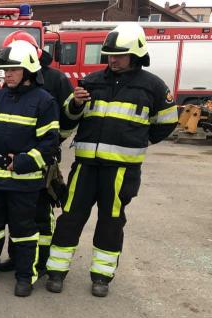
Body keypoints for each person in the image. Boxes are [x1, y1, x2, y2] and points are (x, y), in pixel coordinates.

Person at [44, 23, 178, 297]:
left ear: (136, 54)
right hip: (85, 167)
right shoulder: (91, 81)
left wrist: (140, 140)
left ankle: (101, 277)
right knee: (70, 218)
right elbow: (68, 121)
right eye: (109, 55)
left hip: (121, 170)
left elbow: (167, 122)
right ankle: (56, 271)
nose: (112, 60)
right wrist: (75, 104)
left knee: (111, 222)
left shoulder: (153, 86)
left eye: (119, 55)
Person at [0, 41, 60, 297]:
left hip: (24, 183)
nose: (7, 75)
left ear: (28, 71)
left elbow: (49, 144)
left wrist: (21, 162)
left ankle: (25, 276)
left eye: (13, 70)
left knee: (23, 232)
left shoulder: (44, 102)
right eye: (5, 70)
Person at [0, 31, 74, 274]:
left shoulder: (56, 79)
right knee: (18, 215)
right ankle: (18, 258)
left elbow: (69, 120)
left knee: (41, 213)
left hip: (42, 159)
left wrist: (52, 144)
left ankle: (42, 262)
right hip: (16, 161)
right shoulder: (15, 78)